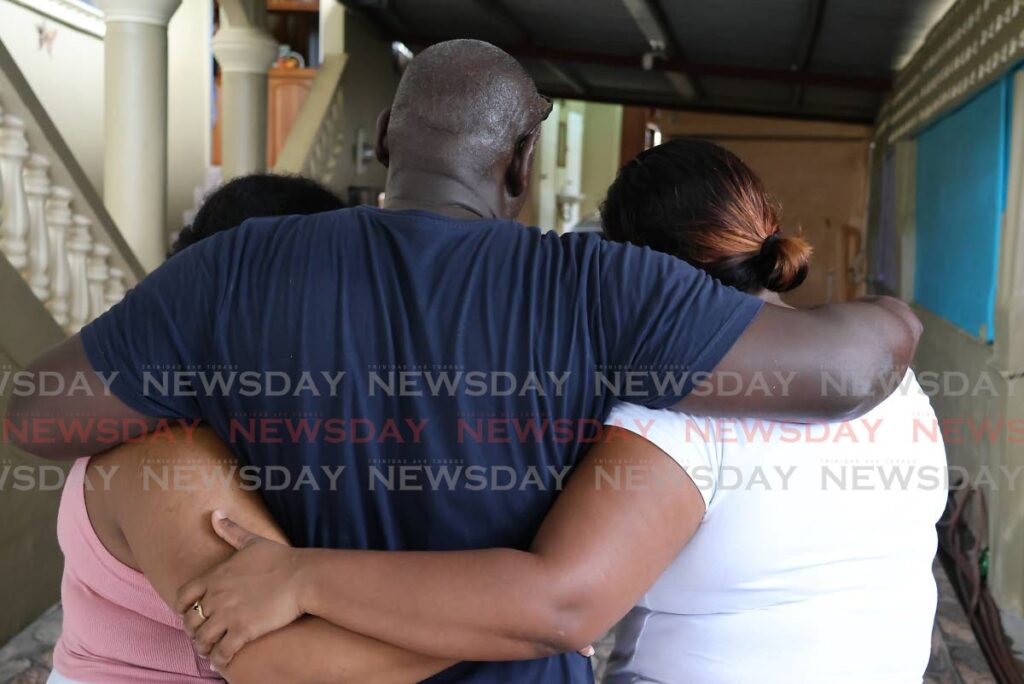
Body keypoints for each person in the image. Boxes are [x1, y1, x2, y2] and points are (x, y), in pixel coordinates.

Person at [11, 40, 920, 684]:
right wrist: (896, 314)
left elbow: (37, 414)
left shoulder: (234, 270)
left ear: (380, 140)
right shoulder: (599, 288)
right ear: (522, 163)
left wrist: (217, 384)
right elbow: (844, 373)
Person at [171, 141, 945, 684]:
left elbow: (560, 604)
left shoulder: (674, 417)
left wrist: (302, 576)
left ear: (630, 272)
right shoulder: (890, 383)